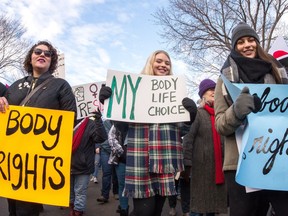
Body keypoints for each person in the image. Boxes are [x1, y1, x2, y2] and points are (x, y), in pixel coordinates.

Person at [99, 50, 197, 216]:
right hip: (140, 158)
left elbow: (181, 130)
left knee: (156, 211)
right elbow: (121, 126)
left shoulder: (175, 94)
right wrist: (110, 103)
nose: (163, 65)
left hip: (166, 159)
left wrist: (189, 118)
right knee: (144, 211)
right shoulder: (134, 90)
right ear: (150, 63)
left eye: (167, 63)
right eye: (159, 61)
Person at [214, 22, 288, 216]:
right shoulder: (224, 80)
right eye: (240, 42)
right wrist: (236, 111)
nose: (247, 45)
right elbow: (220, 125)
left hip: (276, 159)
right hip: (240, 164)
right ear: (234, 47)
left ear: (257, 43)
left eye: (250, 40)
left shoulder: (277, 72)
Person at [0, 40, 77, 216]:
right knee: (13, 209)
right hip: (12, 161)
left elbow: (69, 120)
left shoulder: (60, 86)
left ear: (52, 61)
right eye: (38, 51)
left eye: (47, 53)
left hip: (37, 164)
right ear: (31, 57)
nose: (42, 54)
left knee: (26, 211)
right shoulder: (15, 86)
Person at [183, 79, 228, 216]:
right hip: (200, 170)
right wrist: (187, 165)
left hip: (218, 169)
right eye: (209, 89)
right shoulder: (198, 113)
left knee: (212, 208)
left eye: (215, 88)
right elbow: (188, 140)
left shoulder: (223, 115)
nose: (213, 91)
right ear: (202, 94)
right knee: (198, 207)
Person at [69, 112, 107, 216]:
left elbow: (101, 138)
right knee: (70, 192)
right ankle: (72, 208)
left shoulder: (90, 124)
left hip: (83, 165)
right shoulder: (65, 121)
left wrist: (98, 121)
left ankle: (78, 211)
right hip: (66, 164)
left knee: (80, 191)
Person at [108, 121, 129, 216]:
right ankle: (124, 209)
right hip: (121, 160)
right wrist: (123, 154)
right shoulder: (117, 124)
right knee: (122, 185)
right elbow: (111, 139)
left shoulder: (140, 123)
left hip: (137, 159)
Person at [96, 119, 119, 203]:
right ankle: (104, 195)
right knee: (106, 173)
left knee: (116, 174)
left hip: (117, 151)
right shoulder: (105, 123)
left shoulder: (120, 122)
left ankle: (116, 192)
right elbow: (99, 134)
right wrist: (98, 146)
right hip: (106, 150)